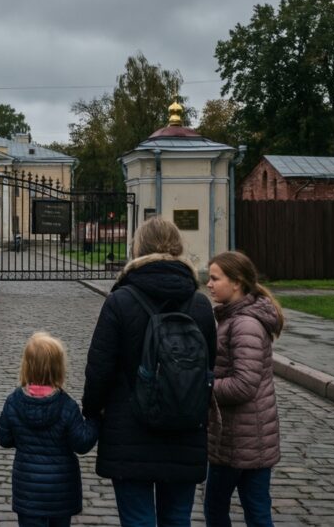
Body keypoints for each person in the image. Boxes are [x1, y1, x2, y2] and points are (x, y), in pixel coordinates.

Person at [81, 217, 217, 526]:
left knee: (138, 519)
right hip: (185, 426)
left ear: (137, 248)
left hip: (130, 429)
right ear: (179, 248)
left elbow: (99, 368)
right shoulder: (200, 305)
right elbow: (209, 369)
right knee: (178, 518)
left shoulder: (120, 301)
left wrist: (92, 412)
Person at [204, 251, 284, 527]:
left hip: (238, 441)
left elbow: (244, 385)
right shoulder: (235, 318)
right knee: (257, 510)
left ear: (236, 282)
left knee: (217, 509)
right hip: (251, 440)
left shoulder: (244, 324)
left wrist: (205, 386)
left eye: (215, 278)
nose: (209, 284)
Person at [0, 332, 99, 527]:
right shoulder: (67, 406)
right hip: (61, 490)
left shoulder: (14, 402)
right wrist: (95, 421)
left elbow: (3, 437)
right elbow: (82, 443)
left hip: (28, 489)